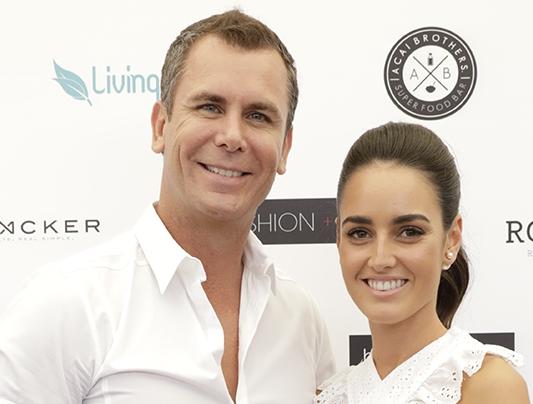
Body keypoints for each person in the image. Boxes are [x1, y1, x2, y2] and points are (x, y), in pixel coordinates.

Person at [0, 10, 334, 404]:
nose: (232, 136)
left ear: (285, 148)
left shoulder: (301, 318)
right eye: (210, 106)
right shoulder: (68, 305)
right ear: (161, 126)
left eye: (258, 116)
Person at [315, 122, 529, 403]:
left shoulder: (490, 387)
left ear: (451, 240)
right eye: (360, 233)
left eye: (409, 232)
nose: (380, 259)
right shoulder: (328, 396)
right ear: (339, 242)